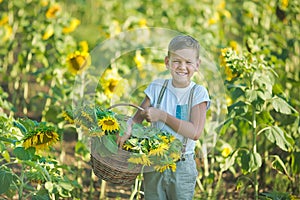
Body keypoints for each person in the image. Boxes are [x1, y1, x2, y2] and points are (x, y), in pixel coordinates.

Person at [116, 35, 210, 200]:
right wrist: (127, 128)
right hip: (154, 162)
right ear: (167, 62)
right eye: (176, 61)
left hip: (181, 166)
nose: (182, 67)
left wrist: (162, 115)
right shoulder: (157, 88)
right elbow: (136, 119)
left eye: (188, 62)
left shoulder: (198, 93)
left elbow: (195, 132)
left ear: (197, 65)